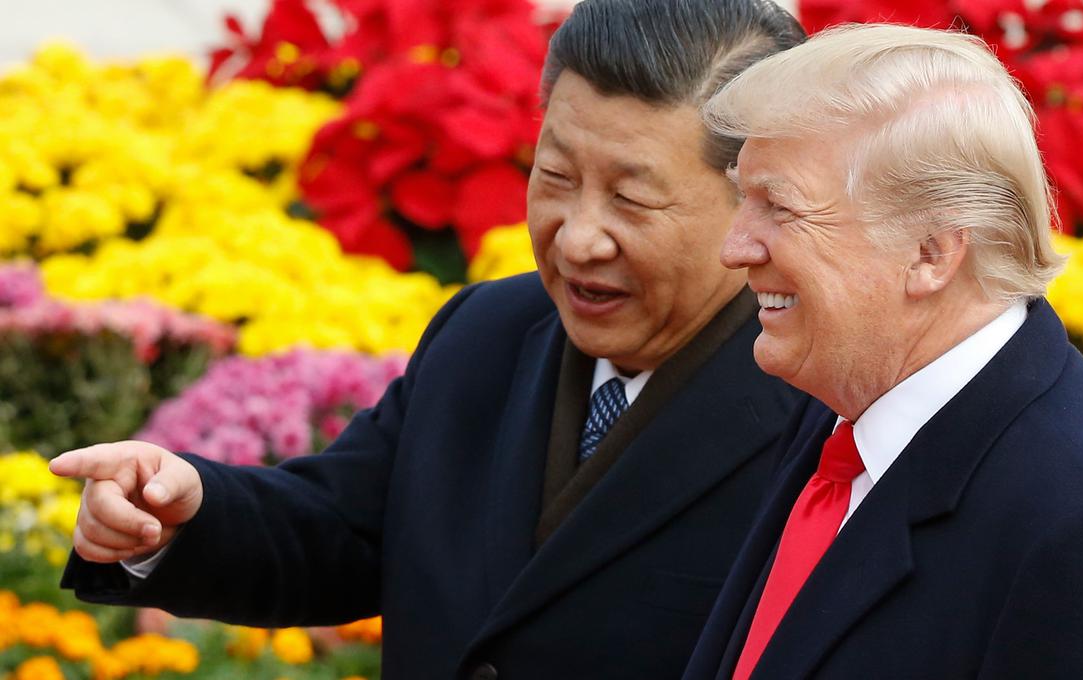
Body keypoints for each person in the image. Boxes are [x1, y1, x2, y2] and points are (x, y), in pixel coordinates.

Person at [50, 2, 814, 679]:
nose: (578, 238)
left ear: (754, 200)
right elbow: (342, 527)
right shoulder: (489, 332)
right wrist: (181, 511)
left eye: (633, 198)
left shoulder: (819, 402)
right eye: (554, 176)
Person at [682, 23, 1083, 680]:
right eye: (742, 198)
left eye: (778, 207)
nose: (735, 248)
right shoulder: (847, 403)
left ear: (931, 253)